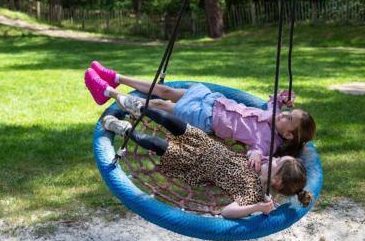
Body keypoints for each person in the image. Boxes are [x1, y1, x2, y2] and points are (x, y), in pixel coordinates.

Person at [85, 61, 316, 173]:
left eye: (289, 119)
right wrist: (285, 97)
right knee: (163, 90)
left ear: (288, 135)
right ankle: (116, 78)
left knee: (157, 104)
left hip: (206, 117)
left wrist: (255, 155)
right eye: (288, 113)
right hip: (212, 99)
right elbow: (275, 100)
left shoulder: (269, 141)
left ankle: (107, 92)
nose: (285, 115)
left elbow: (259, 151)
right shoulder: (276, 114)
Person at [99, 101, 313, 219]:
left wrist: (257, 207)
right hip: (206, 144)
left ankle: (124, 129)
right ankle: (139, 107)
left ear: (276, 180)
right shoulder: (264, 164)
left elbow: (227, 212)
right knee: (170, 120)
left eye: (278, 162)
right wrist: (255, 153)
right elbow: (260, 150)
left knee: (157, 144)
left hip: (195, 164)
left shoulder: (253, 194)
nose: (274, 159)